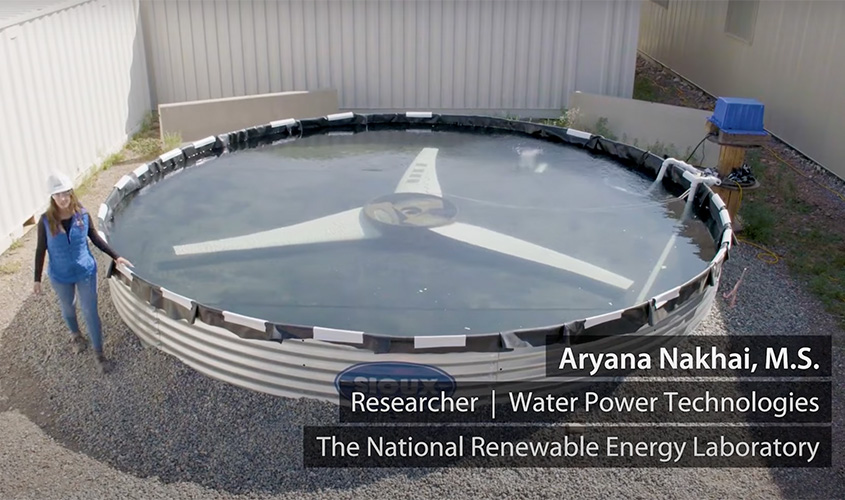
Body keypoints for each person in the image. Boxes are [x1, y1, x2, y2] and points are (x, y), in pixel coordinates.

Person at [33, 172, 133, 373]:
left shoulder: (83, 215)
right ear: (52, 197)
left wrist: (116, 256)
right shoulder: (45, 221)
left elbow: (95, 238)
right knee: (68, 308)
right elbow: (40, 249)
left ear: (71, 193)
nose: (62, 198)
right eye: (57, 195)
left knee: (90, 312)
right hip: (60, 276)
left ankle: (99, 354)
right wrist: (36, 279)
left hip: (85, 271)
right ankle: (76, 335)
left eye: (66, 193)